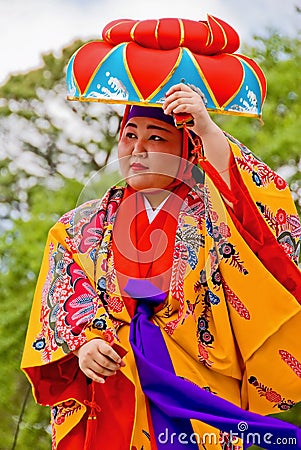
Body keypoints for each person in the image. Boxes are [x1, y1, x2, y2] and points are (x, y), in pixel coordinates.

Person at [21, 82, 301, 450]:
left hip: (199, 383)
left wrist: (206, 126)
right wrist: (85, 344)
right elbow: (65, 299)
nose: (138, 149)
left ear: (186, 148)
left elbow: (259, 219)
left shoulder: (213, 214)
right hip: (116, 384)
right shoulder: (77, 226)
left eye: (157, 137)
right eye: (129, 135)